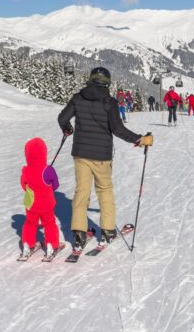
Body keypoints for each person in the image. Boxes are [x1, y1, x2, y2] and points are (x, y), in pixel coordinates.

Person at [58, 67, 153, 249]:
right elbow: (117, 129)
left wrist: (68, 129)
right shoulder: (109, 102)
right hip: (101, 155)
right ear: (107, 82)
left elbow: (62, 118)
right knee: (104, 191)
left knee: (81, 192)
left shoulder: (78, 98)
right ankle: (108, 231)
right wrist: (140, 140)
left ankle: (78, 233)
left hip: (80, 154)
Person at [19, 137, 60, 258]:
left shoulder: (26, 170)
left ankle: (28, 244)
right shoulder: (48, 170)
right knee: (49, 223)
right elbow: (55, 185)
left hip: (31, 204)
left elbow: (24, 185)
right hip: (46, 204)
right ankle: (52, 245)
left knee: (30, 223)